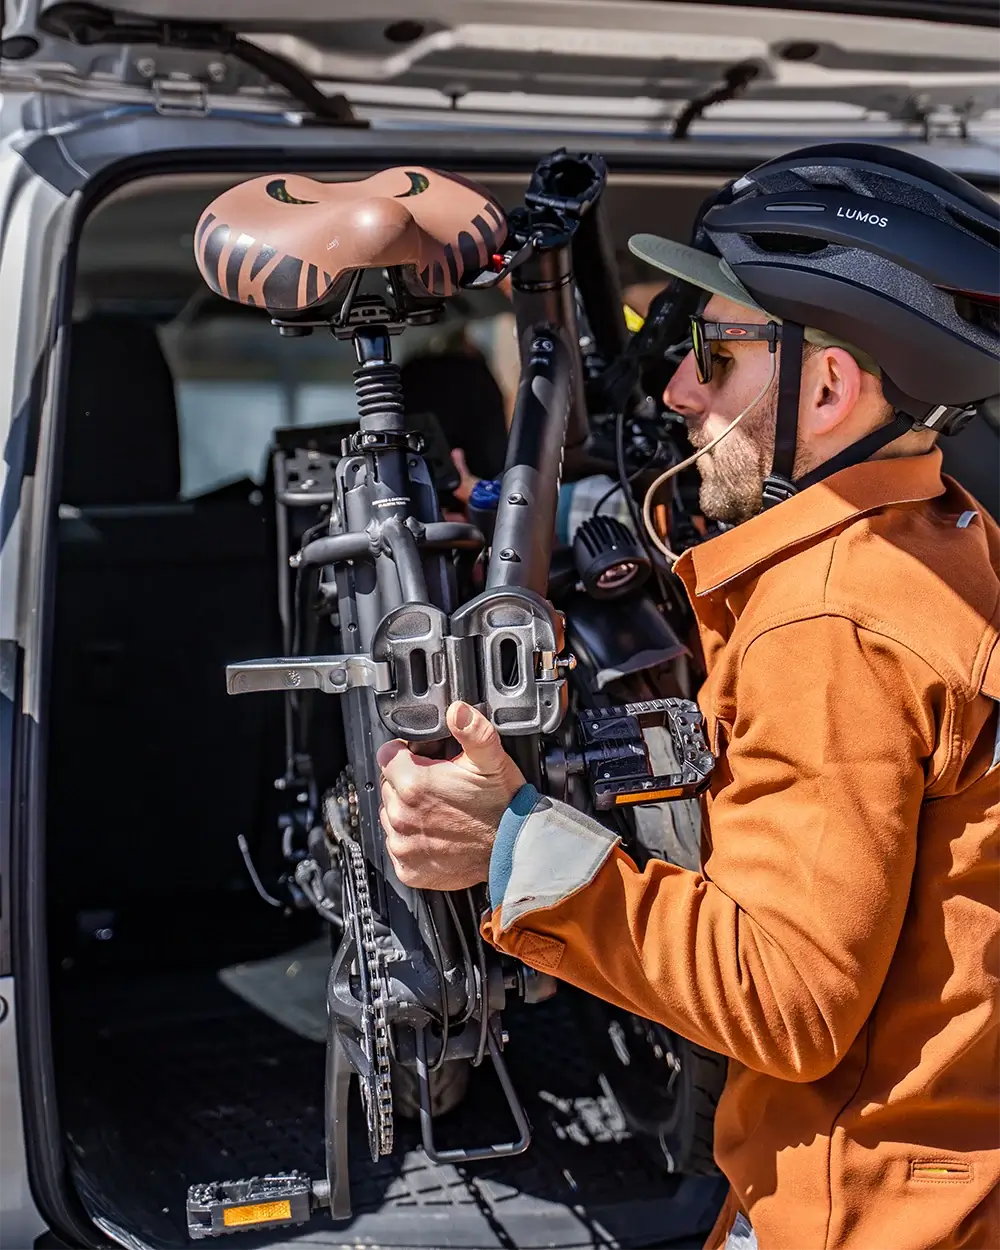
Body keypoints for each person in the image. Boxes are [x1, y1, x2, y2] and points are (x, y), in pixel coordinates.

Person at [376, 144, 1000, 1249]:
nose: (674, 387)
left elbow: (787, 998)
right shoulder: (952, 537)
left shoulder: (827, 623)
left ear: (823, 384)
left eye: (712, 352)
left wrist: (507, 840)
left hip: (874, 1214)